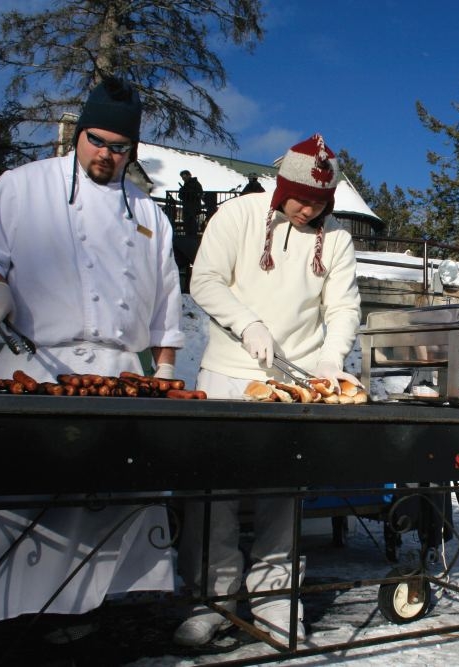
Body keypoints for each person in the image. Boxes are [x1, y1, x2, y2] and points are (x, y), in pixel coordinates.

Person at [0, 75, 184, 626]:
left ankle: (101, 618)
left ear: (134, 151)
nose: (105, 155)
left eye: (119, 147)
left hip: (123, 377)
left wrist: (166, 369)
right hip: (36, 366)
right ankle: (2, 619)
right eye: (96, 141)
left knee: (115, 501)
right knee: (21, 498)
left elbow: (168, 298)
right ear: (79, 135)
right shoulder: (22, 184)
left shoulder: (148, 213)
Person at [174, 134, 361, 646]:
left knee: (285, 495)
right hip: (228, 372)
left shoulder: (337, 239)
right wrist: (249, 324)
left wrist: (328, 360)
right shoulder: (237, 217)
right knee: (214, 493)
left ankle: (277, 602)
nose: (309, 210)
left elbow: (342, 307)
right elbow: (205, 281)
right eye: (302, 199)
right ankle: (210, 601)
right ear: (282, 189)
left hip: (292, 382)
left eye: (321, 203)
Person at [178, 169, 204, 236]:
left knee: (192, 222)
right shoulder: (186, 185)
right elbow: (180, 196)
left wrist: (187, 192)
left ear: (189, 175)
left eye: (185, 176)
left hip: (193, 207)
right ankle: (188, 236)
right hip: (187, 207)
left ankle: (192, 237)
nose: (184, 178)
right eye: (183, 177)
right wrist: (182, 191)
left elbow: (199, 194)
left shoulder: (195, 183)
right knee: (187, 222)